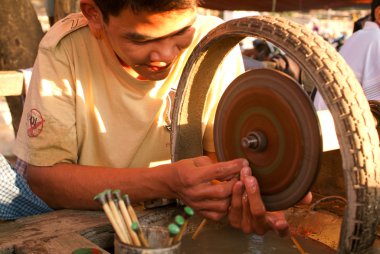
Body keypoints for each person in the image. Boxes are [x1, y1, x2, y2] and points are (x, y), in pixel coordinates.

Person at [12, 0, 310, 235]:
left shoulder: (214, 44)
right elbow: (45, 180)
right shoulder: (67, 47)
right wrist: (167, 182)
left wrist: (253, 194)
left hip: (179, 224)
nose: (166, 55)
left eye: (181, 33)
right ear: (94, 15)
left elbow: (219, 164)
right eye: (140, 40)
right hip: (91, 225)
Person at [314, 0, 380, 110]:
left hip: (326, 119)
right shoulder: (376, 38)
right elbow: (376, 105)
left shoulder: (359, 36)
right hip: (339, 123)